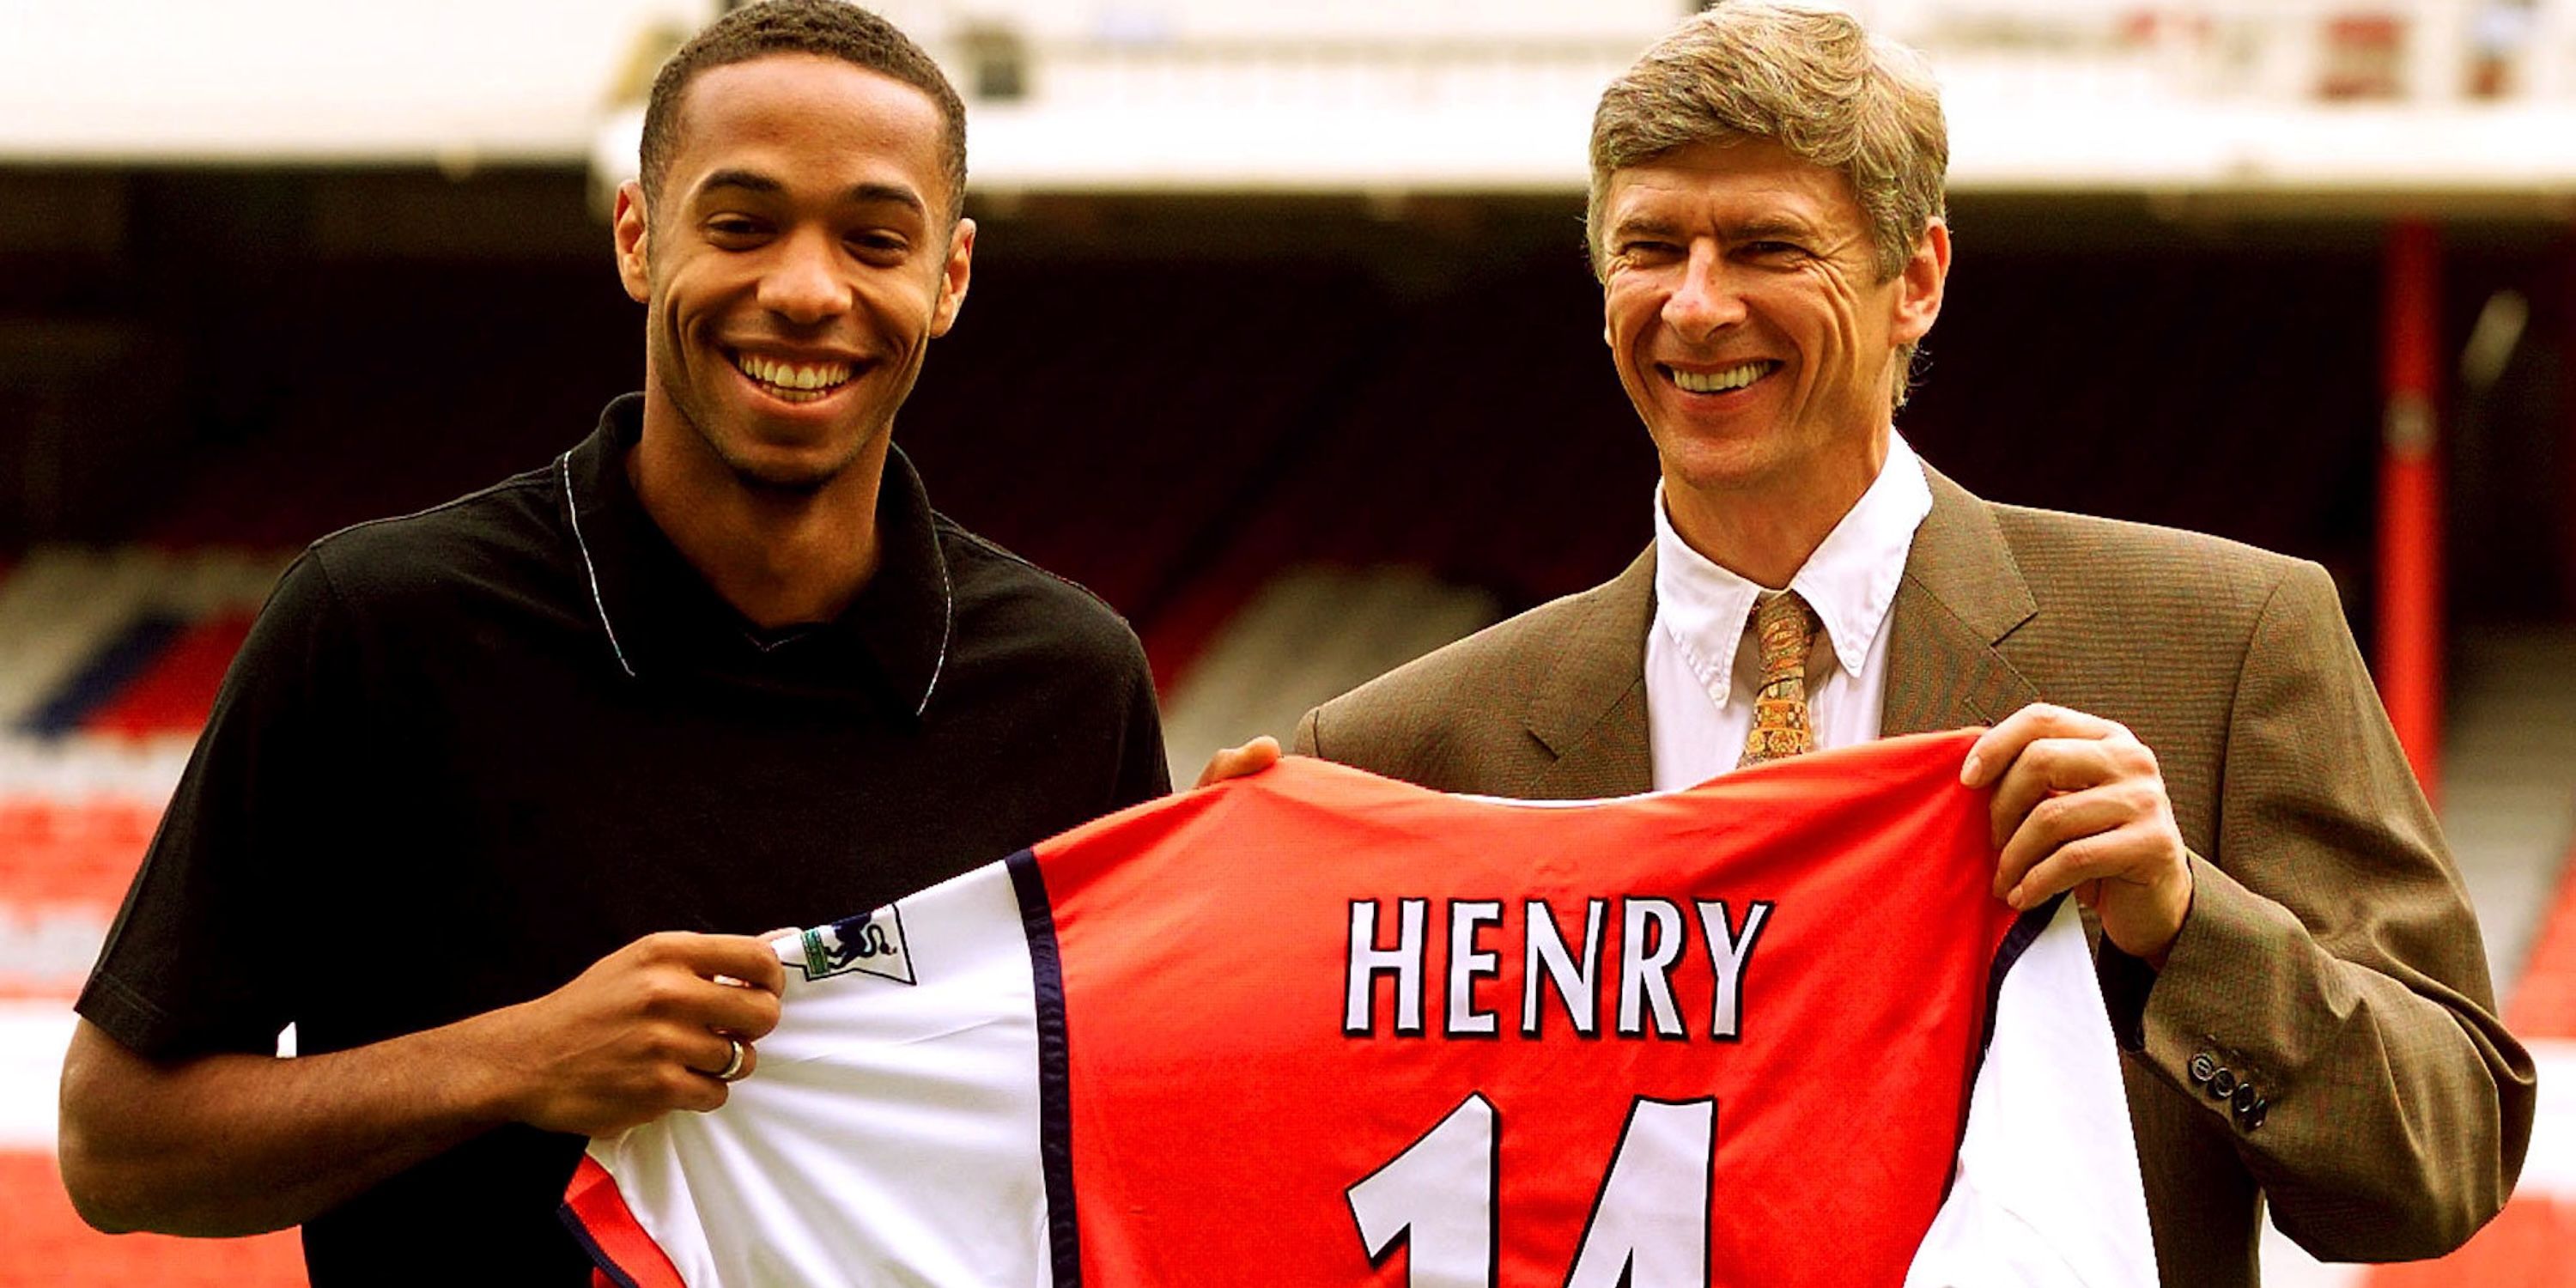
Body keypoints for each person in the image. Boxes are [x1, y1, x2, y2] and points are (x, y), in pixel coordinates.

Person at [1291, 4, 2535, 1285]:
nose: (1697, 305)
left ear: (1919, 278)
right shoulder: (1397, 754)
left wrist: (2185, 929)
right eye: (1649, 247)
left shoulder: (2222, 643)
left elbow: (2438, 1167)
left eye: (1767, 245)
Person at [56, 3, 1182, 1281]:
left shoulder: (1071, 686)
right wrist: (520, 1059)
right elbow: (117, 1145)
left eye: (874, 240)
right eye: (742, 225)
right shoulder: (379, 626)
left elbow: (1114, 1146)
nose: (807, 292)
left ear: (951, 278)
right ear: (639, 240)